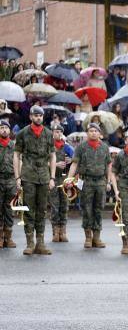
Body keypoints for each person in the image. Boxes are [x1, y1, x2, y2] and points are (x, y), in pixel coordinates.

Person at [12, 106, 56, 255]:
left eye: (40, 116)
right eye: (35, 115)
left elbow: (52, 156)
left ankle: (41, 243)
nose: (38, 118)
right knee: (29, 209)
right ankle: (30, 243)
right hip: (28, 175)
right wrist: (17, 176)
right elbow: (17, 155)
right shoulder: (23, 133)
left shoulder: (49, 134)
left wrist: (52, 177)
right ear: (31, 117)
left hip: (44, 176)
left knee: (42, 210)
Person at [66, 122, 112, 249]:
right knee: (86, 209)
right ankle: (88, 237)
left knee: (98, 209)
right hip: (86, 182)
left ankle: (97, 237)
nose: (93, 133)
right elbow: (74, 164)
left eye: (95, 131)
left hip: (100, 182)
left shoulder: (104, 147)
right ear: (87, 133)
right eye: (91, 131)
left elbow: (108, 164)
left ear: (99, 133)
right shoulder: (81, 147)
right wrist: (69, 179)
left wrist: (108, 181)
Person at [49, 123, 73, 243]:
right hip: (52, 179)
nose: (58, 134)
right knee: (54, 206)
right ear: (52, 133)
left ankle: (63, 231)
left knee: (64, 205)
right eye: (56, 132)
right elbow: (42, 162)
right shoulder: (48, 146)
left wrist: (70, 160)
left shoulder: (67, 147)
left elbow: (75, 160)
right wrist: (55, 164)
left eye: (60, 132)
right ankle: (55, 231)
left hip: (64, 179)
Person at [0, 119, 17, 249]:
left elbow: (19, 162)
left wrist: (19, 178)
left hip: (11, 179)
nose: (4, 130)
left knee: (9, 208)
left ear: (9, 130)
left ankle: (9, 237)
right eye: (1, 128)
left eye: (6, 128)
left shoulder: (14, 145)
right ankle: (0, 237)